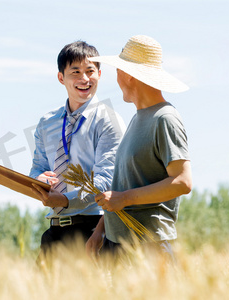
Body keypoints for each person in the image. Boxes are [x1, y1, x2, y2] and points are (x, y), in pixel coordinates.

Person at [86, 35, 192, 259]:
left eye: (117, 71)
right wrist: (100, 231)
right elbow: (123, 185)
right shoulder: (137, 119)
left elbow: (183, 182)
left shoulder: (165, 118)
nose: (116, 78)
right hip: (117, 243)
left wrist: (124, 199)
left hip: (148, 246)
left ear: (129, 75)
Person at [29, 41, 124, 261]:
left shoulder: (108, 120)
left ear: (100, 74)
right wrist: (38, 179)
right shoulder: (46, 123)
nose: (84, 79)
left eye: (90, 71)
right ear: (61, 78)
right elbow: (37, 170)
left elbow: (106, 181)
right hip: (54, 231)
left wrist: (64, 200)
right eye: (76, 72)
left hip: (93, 231)